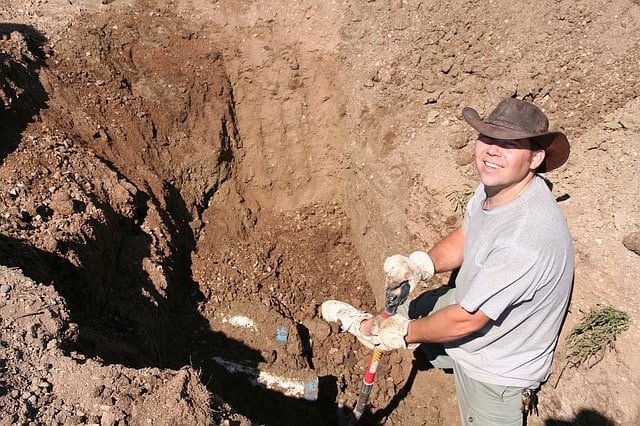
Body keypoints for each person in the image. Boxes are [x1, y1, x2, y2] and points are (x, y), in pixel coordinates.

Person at [321, 97, 575, 426]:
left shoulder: (525, 238)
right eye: (488, 138)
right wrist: (421, 265)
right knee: (414, 310)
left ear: (536, 157)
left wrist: (406, 334)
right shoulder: (498, 188)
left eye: (509, 144)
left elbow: (467, 320)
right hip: (474, 305)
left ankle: (386, 332)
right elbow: (468, 235)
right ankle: (370, 327)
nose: (493, 151)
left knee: (410, 325)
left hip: (496, 368)